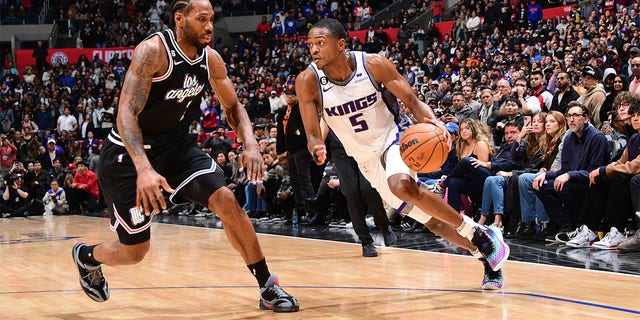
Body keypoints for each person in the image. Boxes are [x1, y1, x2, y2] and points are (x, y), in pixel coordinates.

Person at [71, 0, 299, 313]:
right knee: (134, 252)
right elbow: (126, 113)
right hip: (129, 155)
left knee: (226, 200)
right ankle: (87, 256)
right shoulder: (152, 52)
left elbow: (233, 107)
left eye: (212, 19)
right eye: (202, 19)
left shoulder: (211, 59)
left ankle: (267, 286)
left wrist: (250, 143)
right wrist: (144, 169)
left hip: (177, 148)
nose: (209, 26)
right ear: (180, 19)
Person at [297, 18, 509, 290]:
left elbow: (412, 101)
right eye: (310, 44)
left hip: (393, 139)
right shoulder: (307, 81)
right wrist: (316, 145)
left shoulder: (372, 65)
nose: (313, 50)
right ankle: (488, 256)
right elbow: (313, 132)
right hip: (365, 159)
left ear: (341, 44)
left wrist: (433, 122)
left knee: (401, 185)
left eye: (320, 43)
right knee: (434, 223)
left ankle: (477, 233)